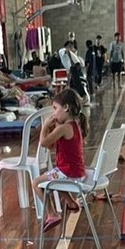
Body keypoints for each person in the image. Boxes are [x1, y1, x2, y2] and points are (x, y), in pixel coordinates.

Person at [30, 88, 87, 232]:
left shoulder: (64, 128)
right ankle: (71, 203)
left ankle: (52, 214)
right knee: (54, 177)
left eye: (55, 108)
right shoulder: (75, 124)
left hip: (69, 173)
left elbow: (43, 143)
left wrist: (44, 127)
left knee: (36, 183)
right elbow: (51, 145)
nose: (54, 113)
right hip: (76, 172)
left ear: (66, 108)